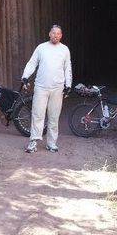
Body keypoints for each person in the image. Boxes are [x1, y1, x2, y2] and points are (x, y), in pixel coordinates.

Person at [21, 24, 72, 153]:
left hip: (57, 88)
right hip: (41, 87)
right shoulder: (41, 48)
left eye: (58, 33)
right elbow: (32, 63)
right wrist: (25, 76)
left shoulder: (64, 50)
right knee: (37, 114)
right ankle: (33, 142)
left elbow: (67, 68)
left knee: (54, 116)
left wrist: (68, 85)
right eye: (53, 33)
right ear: (49, 34)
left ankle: (51, 143)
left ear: (61, 36)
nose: (55, 35)